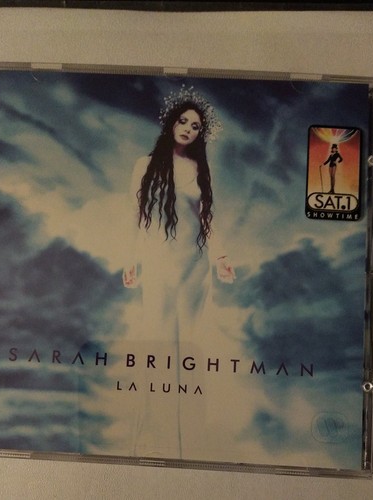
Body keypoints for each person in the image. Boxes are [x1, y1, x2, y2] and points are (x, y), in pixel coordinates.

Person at [121, 86, 235, 458]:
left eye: (195, 126)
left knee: (188, 347)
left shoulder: (199, 169)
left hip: (193, 269)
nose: (188, 128)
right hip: (158, 264)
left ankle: (189, 441)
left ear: (201, 134)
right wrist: (131, 259)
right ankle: (150, 435)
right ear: (172, 123)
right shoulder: (145, 165)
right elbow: (136, 216)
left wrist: (220, 258)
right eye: (183, 121)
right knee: (157, 343)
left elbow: (207, 219)